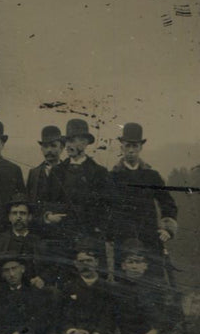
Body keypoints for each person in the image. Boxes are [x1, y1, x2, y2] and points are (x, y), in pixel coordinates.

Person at [43, 118, 112, 277]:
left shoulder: (99, 172)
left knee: (93, 283)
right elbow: (46, 202)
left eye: (73, 140)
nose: (68, 145)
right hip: (63, 239)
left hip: (91, 239)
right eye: (67, 141)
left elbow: (110, 206)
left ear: (85, 143)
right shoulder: (57, 172)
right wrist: (49, 216)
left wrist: (99, 229)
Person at [109, 123, 178, 273]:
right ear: (122, 147)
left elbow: (167, 203)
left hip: (150, 238)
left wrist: (167, 229)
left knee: (153, 280)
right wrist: (111, 233)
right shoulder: (112, 177)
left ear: (141, 147)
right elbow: (104, 206)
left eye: (135, 146)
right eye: (128, 146)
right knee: (124, 282)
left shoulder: (152, 176)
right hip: (123, 239)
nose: (131, 151)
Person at [92, 239, 171, 334]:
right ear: (123, 266)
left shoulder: (157, 288)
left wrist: (152, 333)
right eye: (130, 262)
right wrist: (100, 332)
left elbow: (168, 315)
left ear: (145, 265)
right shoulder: (117, 289)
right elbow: (109, 315)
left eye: (138, 262)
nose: (134, 266)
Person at [48, 238, 116, 334]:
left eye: (89, 261)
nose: (85, 265)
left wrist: (100, 332)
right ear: (75, 264)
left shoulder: (107, 287)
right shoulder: (68, 287)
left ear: (96, 262)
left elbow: (110, 315)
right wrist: (72, 331)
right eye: (81, 262)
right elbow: (62, 315)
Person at [0, 194, 50, 288]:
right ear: (9, 217)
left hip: (31, 289)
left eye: (22, 213)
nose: (18, 217)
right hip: (3, 288)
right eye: (14, 213)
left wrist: (42, 278)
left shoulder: (38, 241)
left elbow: (49, 267)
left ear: (29, 217)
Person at [26, 125, 65, 229]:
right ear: (41, 149)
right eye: (46, 146)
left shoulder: (70, 172)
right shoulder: (33, 173)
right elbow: (30, 205)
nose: (49, 150)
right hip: (39, 231)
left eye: (53, 146)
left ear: (61, 148)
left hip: (63, 231)